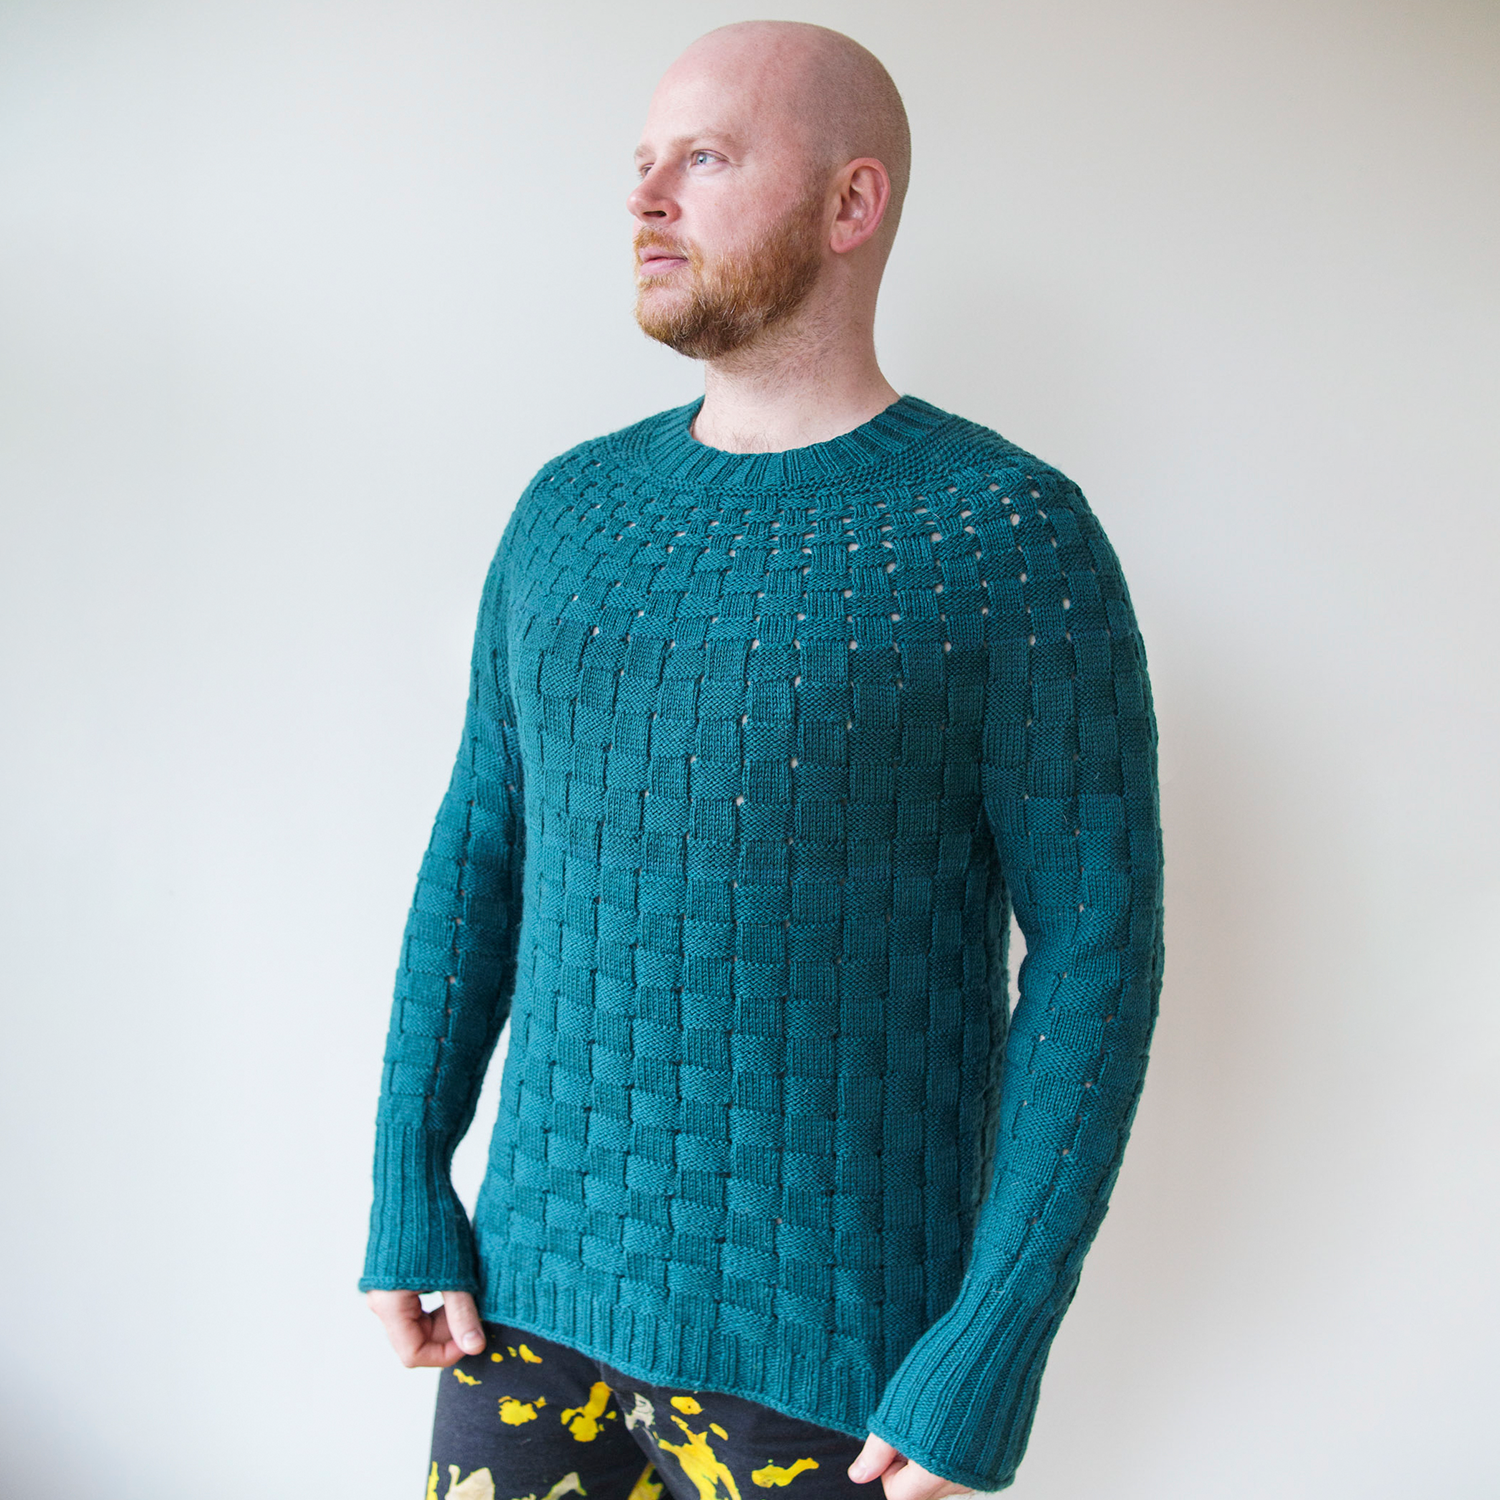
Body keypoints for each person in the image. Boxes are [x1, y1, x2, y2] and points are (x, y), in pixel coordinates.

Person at [360, 19, 1164, 1500]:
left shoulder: (1007, 538)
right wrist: (410, 1176)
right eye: (642, 160)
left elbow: (1096, 958)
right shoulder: (568, 512)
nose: (646, 195)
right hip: (523, 1318)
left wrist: (993, 1339)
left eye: (708, 158)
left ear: (852, 203)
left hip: (837, 1379)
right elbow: (480, 851)